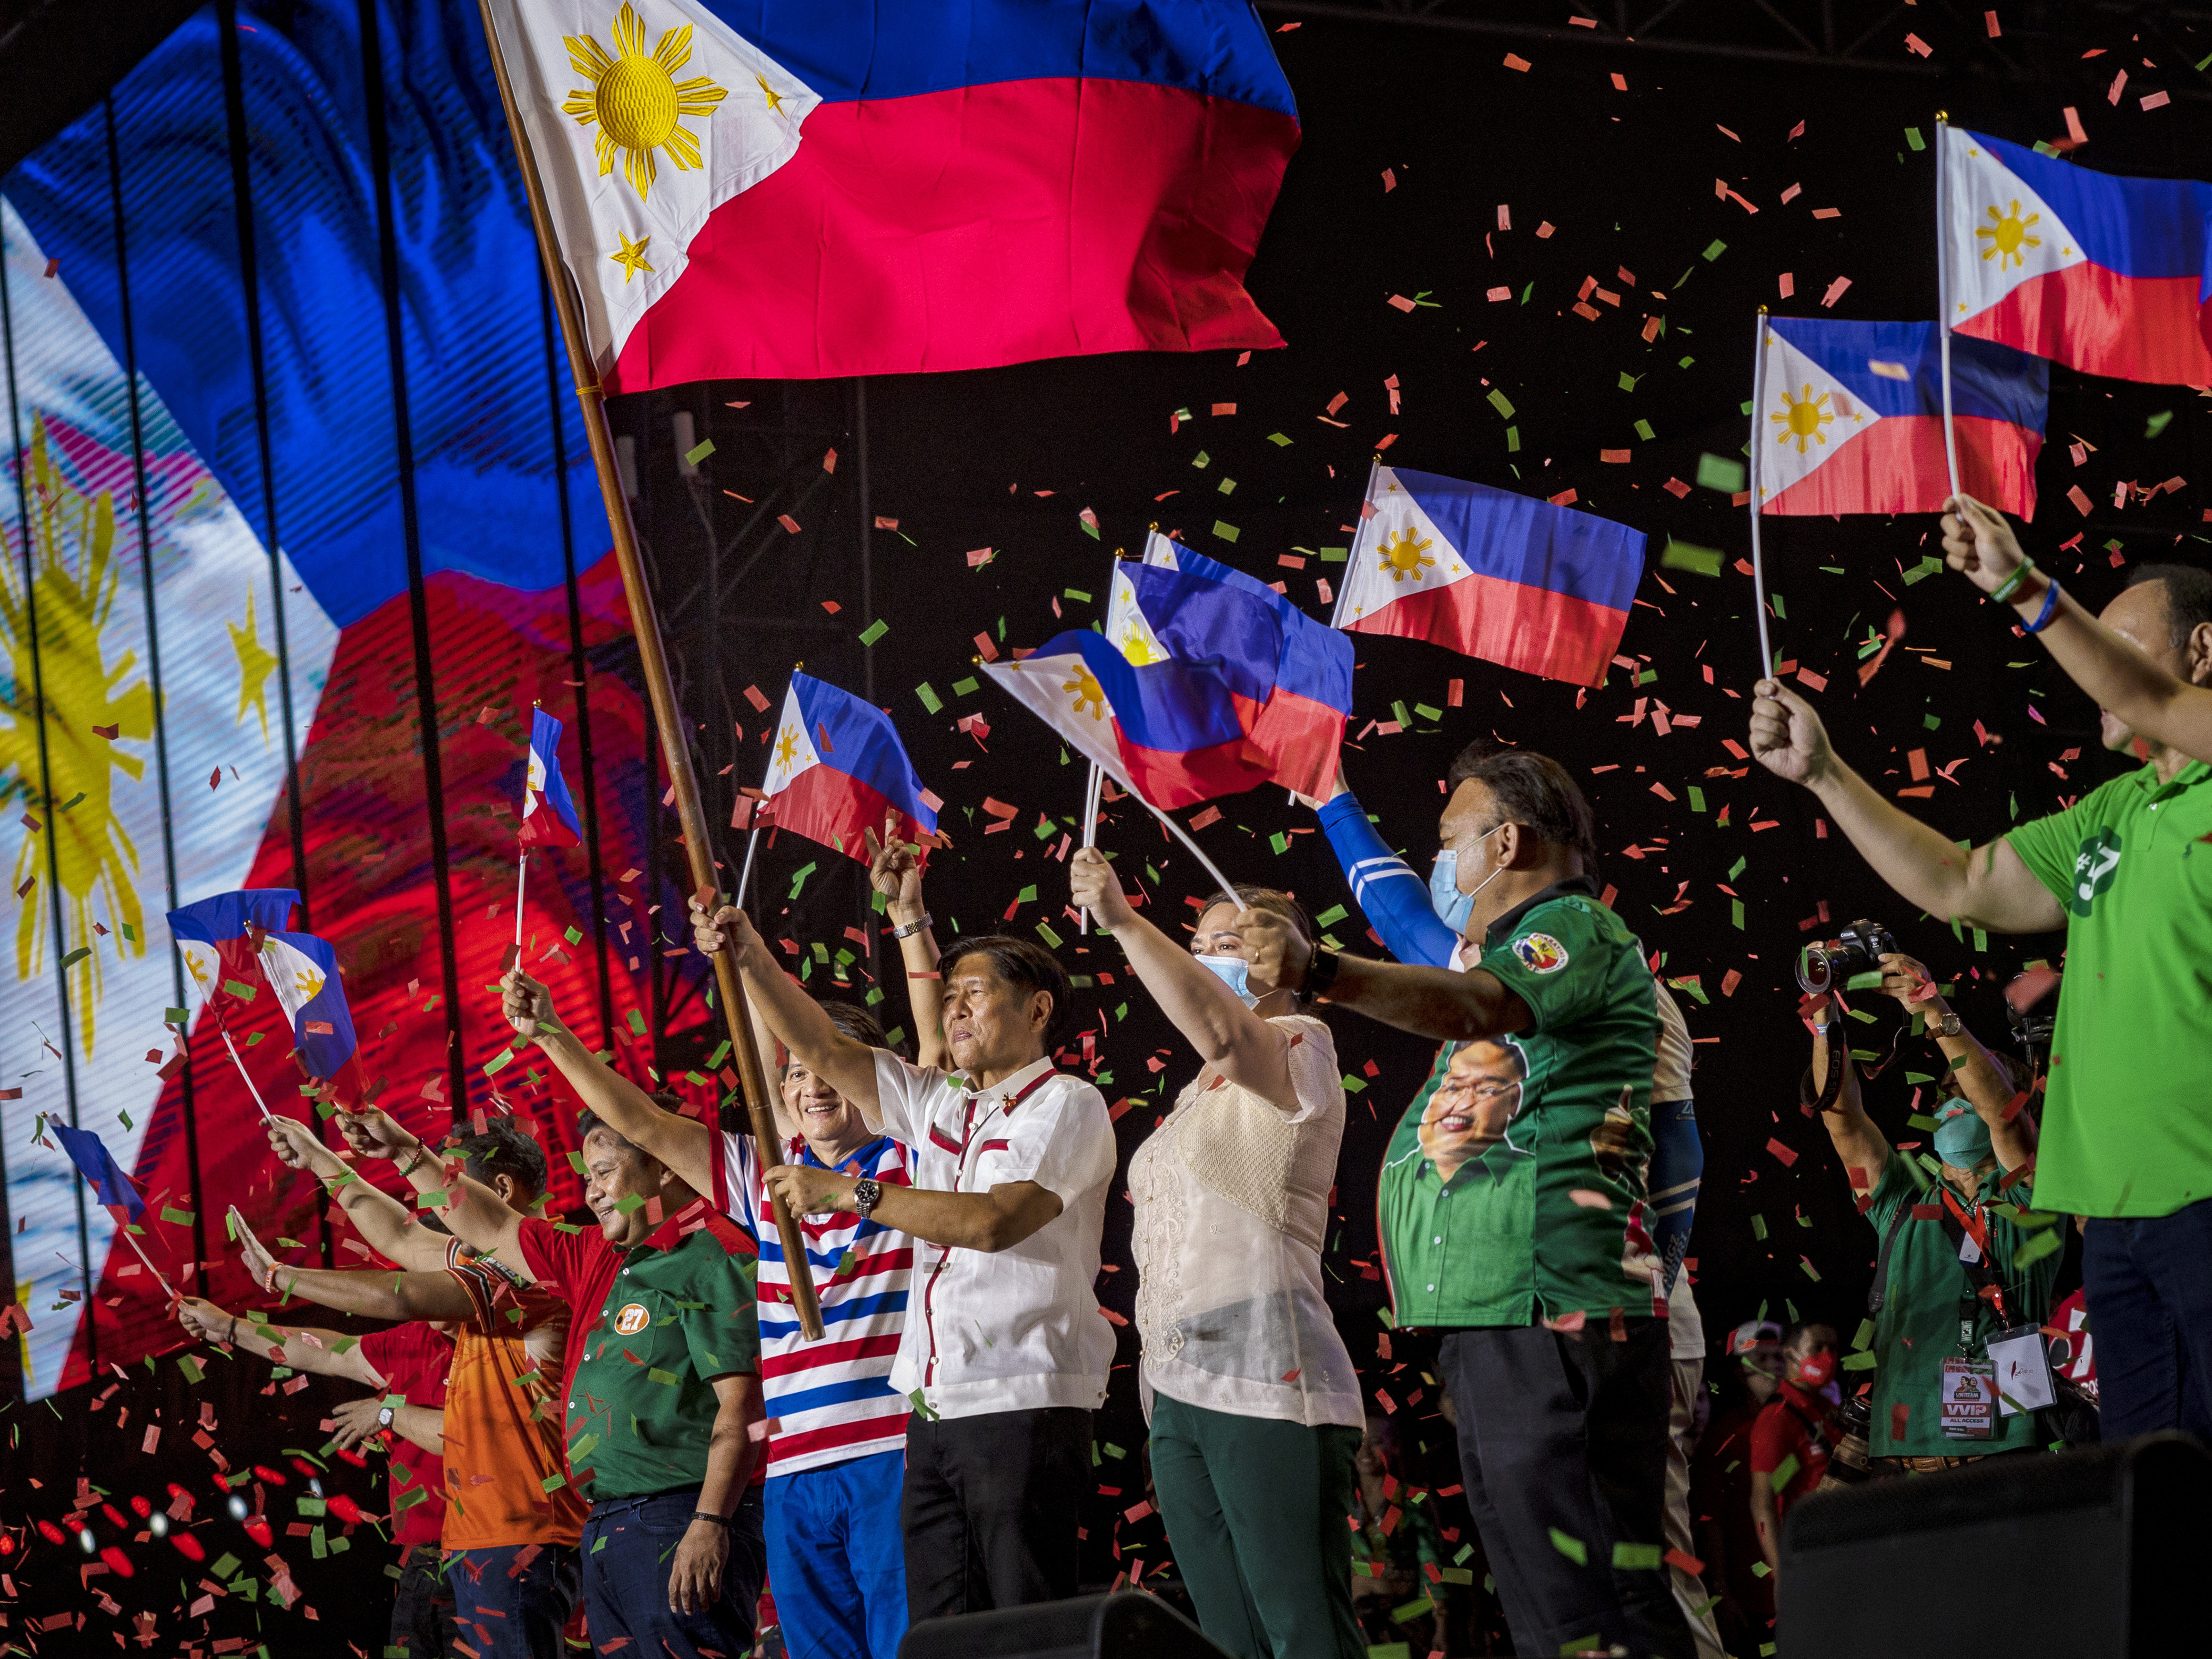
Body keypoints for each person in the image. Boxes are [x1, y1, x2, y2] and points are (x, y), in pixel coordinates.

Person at [1244, 744, 1692, 1659]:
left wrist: (1320, 972)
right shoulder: (1504, 953)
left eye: (1449, 840)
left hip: (1554, 1300)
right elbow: (1417, 933)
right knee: (1546, 1597)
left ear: (1508, 842)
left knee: (1590, 1596)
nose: (1440, 862)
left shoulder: (1568, 928)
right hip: (1501, 1311)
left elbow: (1475, 1006)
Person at [1749, 558, 2212, 1441]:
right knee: (2158, 1504)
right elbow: (1961, 882)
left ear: (2200, 649)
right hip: (2115, 1222)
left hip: (2205, 1194)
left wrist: (2029, 592)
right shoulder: (2108, 810)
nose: (2085, 674)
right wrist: (1823, 775)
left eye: (2114, 645)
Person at [497, 956, 928, 1659]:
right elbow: (640, 1120)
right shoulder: (762, 1181)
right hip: (792, 1473)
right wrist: (549, 1033)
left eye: (833, 1068)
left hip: (891, 1454)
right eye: (795, 1072)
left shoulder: (912, 1161)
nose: (811, 1085)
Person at [694, 901, 1116, 1620]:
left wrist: (849, 1191)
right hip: (934, 1408)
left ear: (1038, 1008)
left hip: (1022, 1400)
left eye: (973, 994)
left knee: (1026, 1622)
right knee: (940, 1629)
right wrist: (750, 953)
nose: (954, 1011)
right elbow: (825, 1050)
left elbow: (992, 1222)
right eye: (946, 996)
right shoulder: (941, 1103)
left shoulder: (1065, 1104)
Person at [334, 1095, 767, 1659]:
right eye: (588, 1175)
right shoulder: (595, 1254)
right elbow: (491, 1223)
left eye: (606, 1172)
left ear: (664, 1159)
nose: (590, 1191)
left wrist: (710, 1520)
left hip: (679, 1517)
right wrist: (403, 1150)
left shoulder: (713, 1252)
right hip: (607, 1522)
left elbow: (744, 1407)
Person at [1068, 851, 1363, 1659]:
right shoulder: (1193, 1097)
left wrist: (1125, 921)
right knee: (1228, 1637)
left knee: (1299, 1625)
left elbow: (1228, 1029)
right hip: (1175, 1384)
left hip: (1269, 1376)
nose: (1209, 958)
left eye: (1232, 941)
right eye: (1201, 944)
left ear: (1286, 958)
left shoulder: (1300, 1042)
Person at [255, 1113, 587, 1657]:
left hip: (523, 1534)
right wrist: (318, 1155)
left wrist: (280, 1276)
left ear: (500, 1189)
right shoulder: (493, 1260)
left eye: (449, 1194)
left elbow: (400, 1294)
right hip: (485, 1534)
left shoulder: (533, 1266)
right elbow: (399, 1234)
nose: (438, 1217)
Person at [1803, 953, 2057, 1471]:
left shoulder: (2030, 1194)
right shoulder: (1901, 1198)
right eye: (1945, 1095)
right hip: (1907, 1466)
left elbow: (2002, 1118)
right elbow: (1843, 1118)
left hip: (2005, 1461)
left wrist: (1929, 1005)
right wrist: (1823, 1017)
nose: (1951, 1102)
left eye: (1966, 1094)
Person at [175, 1279, 454, 1655]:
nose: (425, 1294)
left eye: (434, 1276)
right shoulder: (413, 1339)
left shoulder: (511, 1343)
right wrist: (229, 1326)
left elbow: (487, 1434)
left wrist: (390, 1413)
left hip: (496, 1549)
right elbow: (327, 1352)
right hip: (424, 1558)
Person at [1940, 492, 2212, 765]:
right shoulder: (2114, 802)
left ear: (2204, 651)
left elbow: (2160, 703)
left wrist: (2017, 582)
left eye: (2124, 650)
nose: (2095, 682)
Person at [1692, 1322, 1784, 1654]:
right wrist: (1721, 1593)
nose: (1774, 1366)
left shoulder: (1807, 1429)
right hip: (1750, 1600)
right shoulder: (1725, 1438)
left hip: (1799, 1593)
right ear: (1739, 1372)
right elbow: (1709, 1519)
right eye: (1761, 1358)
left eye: (1778, 1357)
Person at [1347, 1417, 1453, 1658]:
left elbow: (1431, 1564)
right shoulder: (1345, 1503)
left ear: (1394, 1446)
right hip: (1357, 1621)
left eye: (1376, 1443)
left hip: (1404, 1617)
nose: (1365, 1451)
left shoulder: (1414, 1501)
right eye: (1359, 1442)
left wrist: (1441, 1625)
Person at [1746, 1323, 1839, 1580]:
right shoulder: (1777, 1418)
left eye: (1833, 1348)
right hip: (1805, 1557)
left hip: (1836, 1551)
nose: (1827, 1357)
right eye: (1817, 1348)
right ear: (1789, 1355)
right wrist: (1781, 1575)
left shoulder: (1828, 1410)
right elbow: (1762, 1502)